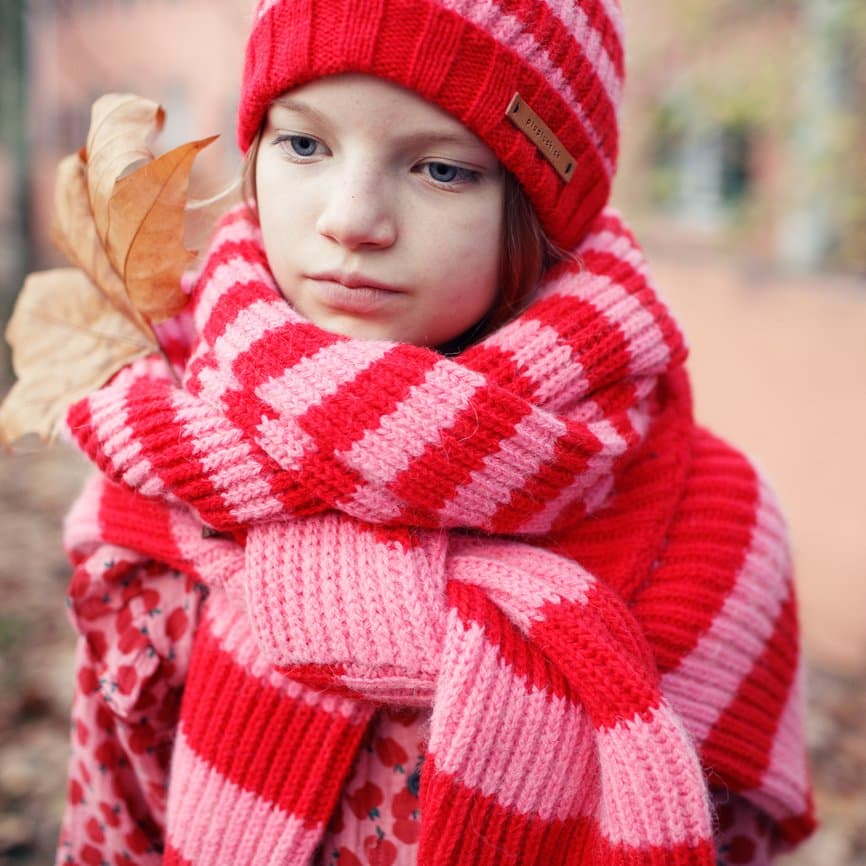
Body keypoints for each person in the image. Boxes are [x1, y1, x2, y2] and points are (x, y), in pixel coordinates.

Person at [55, 1, 816, 864]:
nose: (350, 219)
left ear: (544, 210)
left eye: (442, 170)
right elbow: (109, 819)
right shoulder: (171, 462)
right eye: (304, 145)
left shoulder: (712, 524)